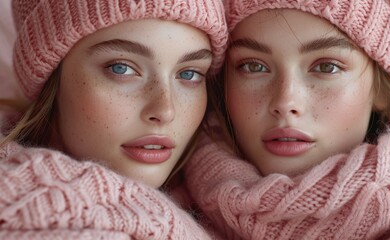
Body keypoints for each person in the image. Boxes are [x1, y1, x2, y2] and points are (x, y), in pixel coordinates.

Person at [184, 0, 390, 239]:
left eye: (327, 68)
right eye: (254, 66)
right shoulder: (155, 211)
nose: (285, 102)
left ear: (381, 89)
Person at [0, 0, 227, 238]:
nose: (165, 111)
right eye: (122, 69)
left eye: (189, 74)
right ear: (51, 78)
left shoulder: (221, 205)